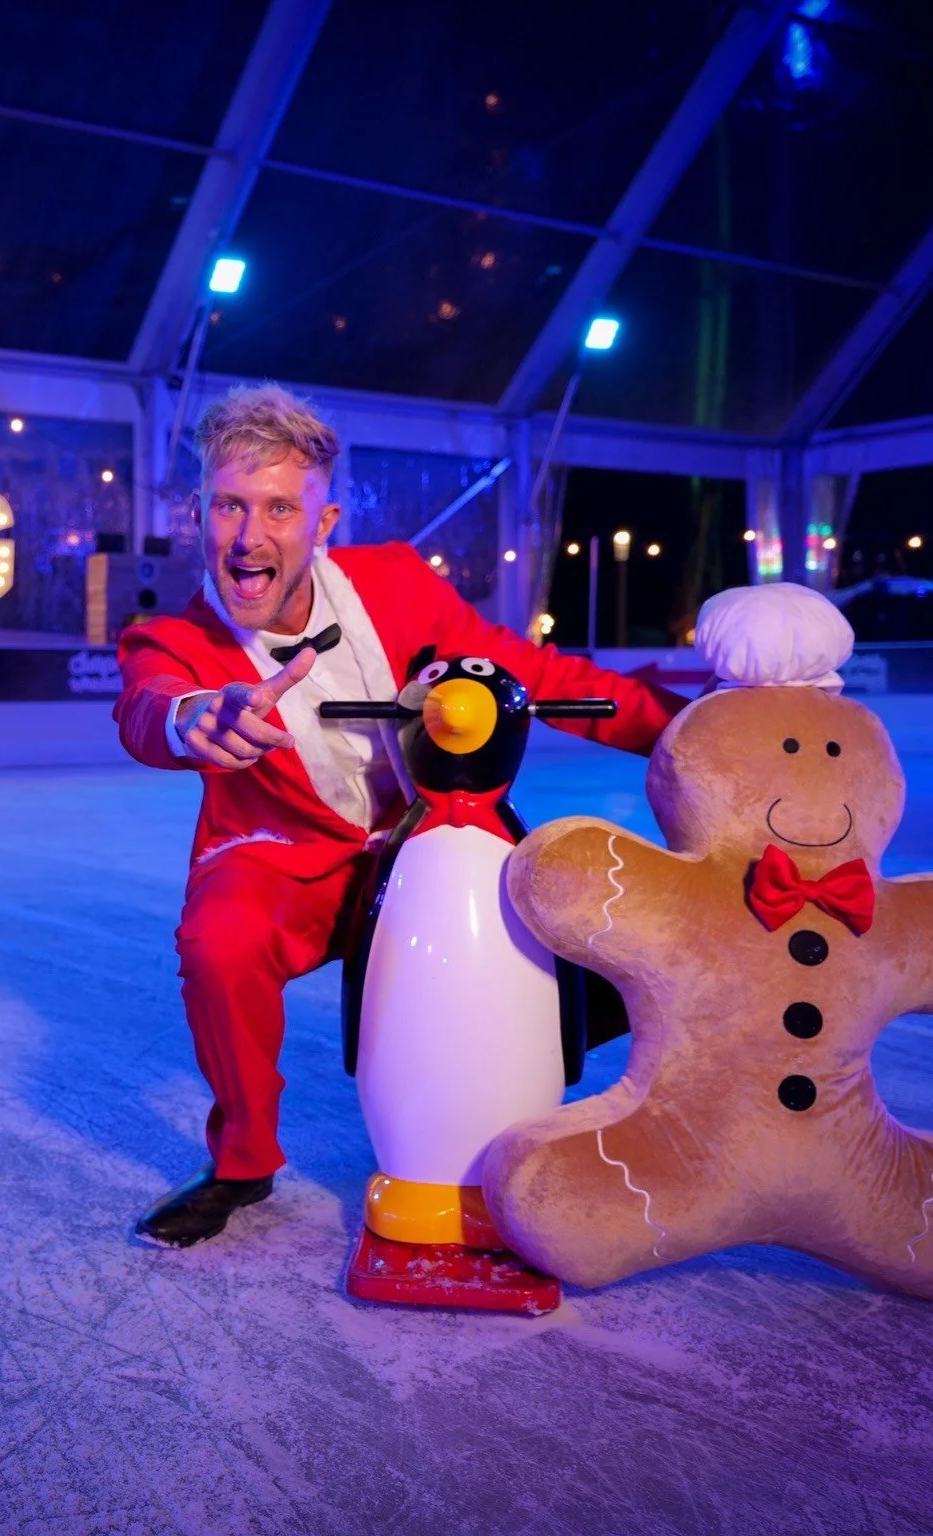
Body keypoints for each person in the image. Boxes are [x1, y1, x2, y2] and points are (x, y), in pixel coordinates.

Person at [114, 383, 689, 1247]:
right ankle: (241, 1163)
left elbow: (535, 676)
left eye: (278, 507)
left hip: (427, 840)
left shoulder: (396, 585)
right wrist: (190, 716)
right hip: (283, 861)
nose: (248, 535)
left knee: (591, 912)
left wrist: (686, 731)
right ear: (197, 512)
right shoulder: (174, 638)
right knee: (218, 943)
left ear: (323, 521)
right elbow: (150, 704)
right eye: (228, 505)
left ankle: (553, 1067)